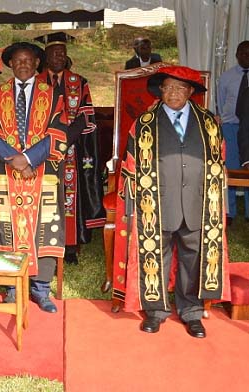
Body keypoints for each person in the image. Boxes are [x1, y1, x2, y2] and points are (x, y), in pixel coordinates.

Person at [113, 66, 229, 338]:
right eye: (168, 88)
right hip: (155, 203)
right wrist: (132, 207)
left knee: (193, 259)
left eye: (180, 88)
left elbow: (219, 162)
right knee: (155, 258)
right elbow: (131, 166)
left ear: (191, 92)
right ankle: (155, 311)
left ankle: (191, 312)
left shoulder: (209, 123)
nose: (173, 93)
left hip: (198, 205)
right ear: (160, 91)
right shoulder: (143, 124)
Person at [0, 42, 79, 312]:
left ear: (37, 64)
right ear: (10, 64)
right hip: (7, 173)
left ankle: (41, 289)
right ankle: (12, 287)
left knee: (45, 229)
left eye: (28, 60)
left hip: (42, 172)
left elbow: (59, 133)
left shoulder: (53, 94)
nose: (23, 64)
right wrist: (17, 161)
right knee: (7, 228)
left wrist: (30, 158)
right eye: (18, 60)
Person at [39, 32, 105, 265]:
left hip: (70, 150)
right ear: (45, 56)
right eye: (54, 53)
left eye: (62, 53)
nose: (59, 57)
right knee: (43, 196)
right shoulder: (36, 82)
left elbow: (86, 115)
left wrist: (64, 139)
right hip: (42, 150)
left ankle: (69, 247)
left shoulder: (79, 81)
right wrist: (47, 142)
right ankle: (44, 243)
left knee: (68, 197)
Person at [217, 41, 249, 224]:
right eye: (243, 53)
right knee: (229, 169)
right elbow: (221, 102)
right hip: (230, 126)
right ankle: (229, 212)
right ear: (237, 55)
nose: (247, 56)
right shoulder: (227, 76)